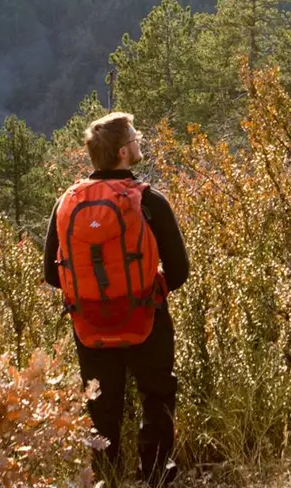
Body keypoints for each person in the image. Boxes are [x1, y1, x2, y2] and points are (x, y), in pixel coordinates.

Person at [44, 112, 191, 486]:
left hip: (90, 324)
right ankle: (155, 474)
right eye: (136, 137)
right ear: (124, 152)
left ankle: (106, 478)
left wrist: (95, 294)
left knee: (101, 408)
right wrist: (147, 290)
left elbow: (51, 273)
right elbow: (179, 269)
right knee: (156, 396)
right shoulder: (149, 200)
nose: (140, 141)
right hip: (145, 317)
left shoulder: (66, 202)